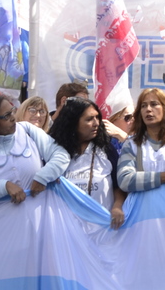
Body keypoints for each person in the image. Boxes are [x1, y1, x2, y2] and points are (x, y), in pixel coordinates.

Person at [0, 95, 69, 206]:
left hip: (39, 216)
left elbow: (61, 155)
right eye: (7, 115)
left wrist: (43, 177)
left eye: (12, 111)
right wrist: (4, 187)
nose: (13, 118)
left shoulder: (27, 130)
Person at [50, 97, 126, 229]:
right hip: (66, 231)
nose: (96, 123)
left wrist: (117, 207)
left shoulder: (107, 150)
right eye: (89, 119)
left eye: (97, 117)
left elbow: (119, 186)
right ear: (73, 122)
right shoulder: (54, 152)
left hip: (103, 231)